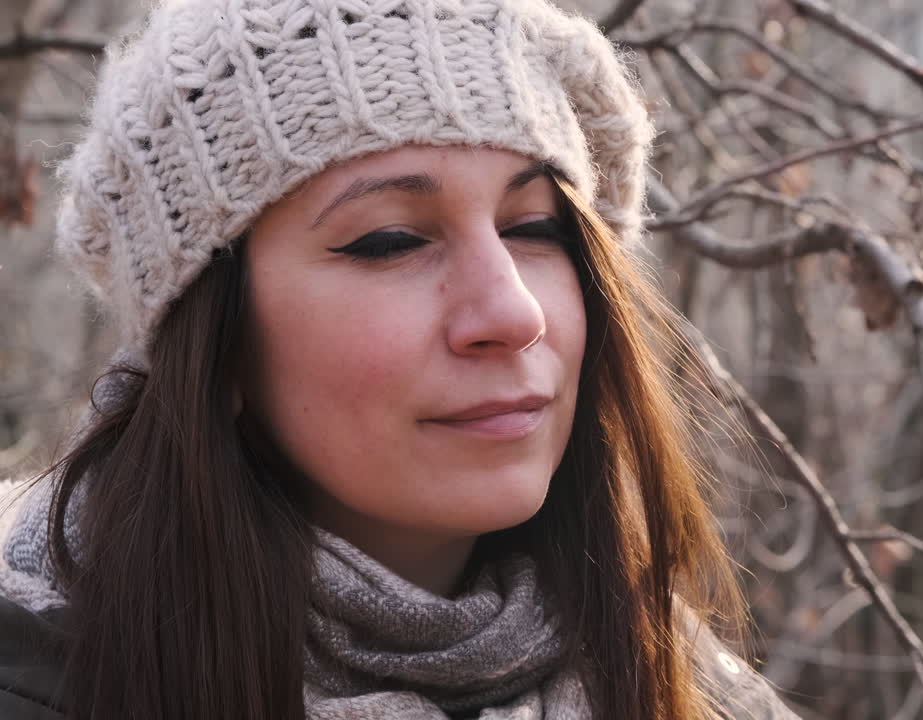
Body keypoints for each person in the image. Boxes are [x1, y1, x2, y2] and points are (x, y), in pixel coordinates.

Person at [0, 1, 802, 719]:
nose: (512, 313)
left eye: (535, 228)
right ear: (216, 342)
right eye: (391, 241)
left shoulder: (686, 686)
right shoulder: (40, 676)